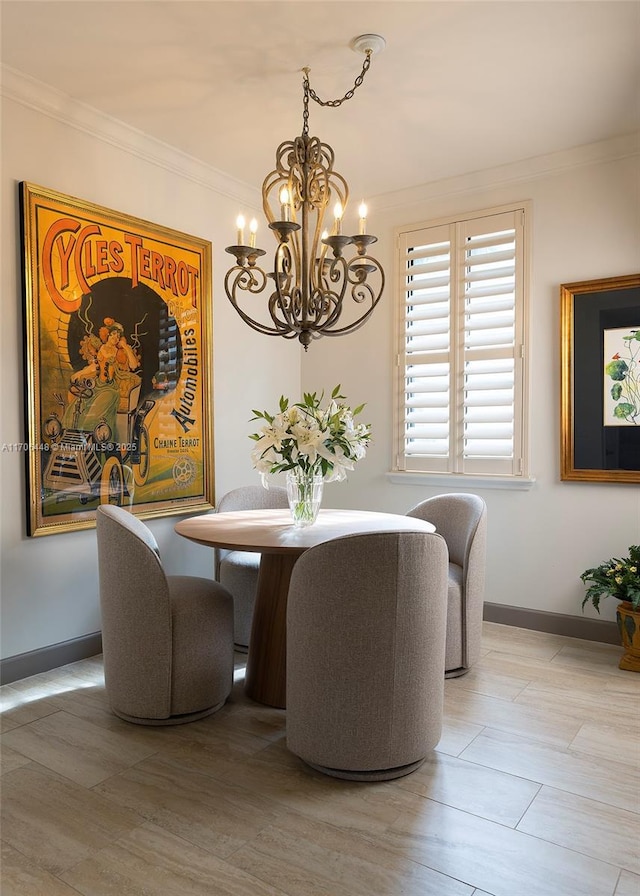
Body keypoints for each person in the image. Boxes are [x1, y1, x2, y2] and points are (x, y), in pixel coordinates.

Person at [63, 318, 141, 437]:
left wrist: (125, 347)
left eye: (118, 336)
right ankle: (75, 437)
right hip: (97, 385)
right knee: (78, 405)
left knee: (96, 411)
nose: (115, 338)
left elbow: (134, 365)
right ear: (108, 335)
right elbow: (94, 367)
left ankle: (97, 437)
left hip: (110, 388)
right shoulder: (102, 349)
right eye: (113, 335)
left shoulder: (119, 352)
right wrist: (79, 374)